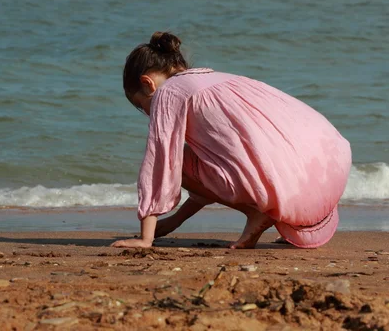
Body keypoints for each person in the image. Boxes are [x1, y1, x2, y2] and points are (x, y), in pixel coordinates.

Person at [111, 32, 351, 249]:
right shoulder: (215, 78)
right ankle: (271, 217)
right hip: (326, 176)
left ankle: (255, 214)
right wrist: (175, 220)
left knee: (177, 159)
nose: (149, 114)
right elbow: (213, 172)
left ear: (147, 83)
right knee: (203, 158)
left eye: (144, 107)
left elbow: (160, 165)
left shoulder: (168, 92)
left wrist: (146, 237)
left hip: (289, 188)